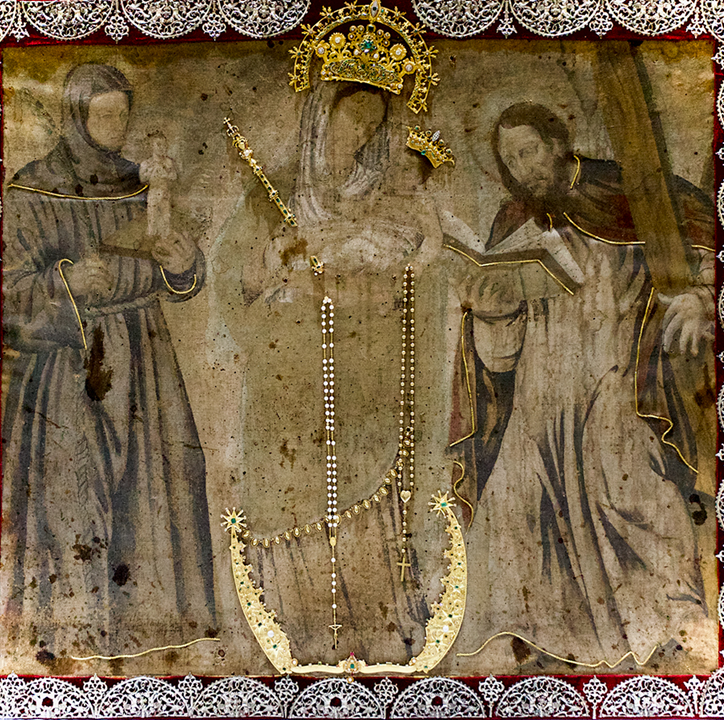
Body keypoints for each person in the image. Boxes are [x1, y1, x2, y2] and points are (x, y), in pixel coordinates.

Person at [449, 103, 716, 670]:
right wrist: (491, 314)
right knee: (514, 501)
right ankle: (537, 643)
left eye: (529, 152)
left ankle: (675, 623)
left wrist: (700, 295)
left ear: (557, 143)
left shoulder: (626, 193)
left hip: (618, 376)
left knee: (623, 481)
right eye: (510, 160)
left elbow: (714, 245)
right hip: (539, 391)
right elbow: (501, 357)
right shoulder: (512, 222)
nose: (522, 169)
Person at [211, 83, 445, 666]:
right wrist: (271, 262)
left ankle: (379, 639)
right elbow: (236, 284)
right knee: (293, 504)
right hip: (289, 380)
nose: (359, 138)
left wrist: (387, 278)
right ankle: (298, 638)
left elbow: (423, 281)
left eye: (371, 128)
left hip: (369, 378)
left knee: (371, 507)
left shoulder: (392, 195)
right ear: (321, 118)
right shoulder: (274, 192)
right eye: (350, 122)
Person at [0, 63, 216, 674]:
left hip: (145, 358)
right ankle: (74, 640)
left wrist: (182, 264)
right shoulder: (33, 190)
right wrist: (66, 282)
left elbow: (179, 273)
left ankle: (150, 639)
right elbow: (0, 296)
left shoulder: (142, 183)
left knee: (156, 489)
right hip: (70, 366)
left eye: (124, 112)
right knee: (72, 497)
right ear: (76, 116)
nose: (117, 125)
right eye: (104, 115)